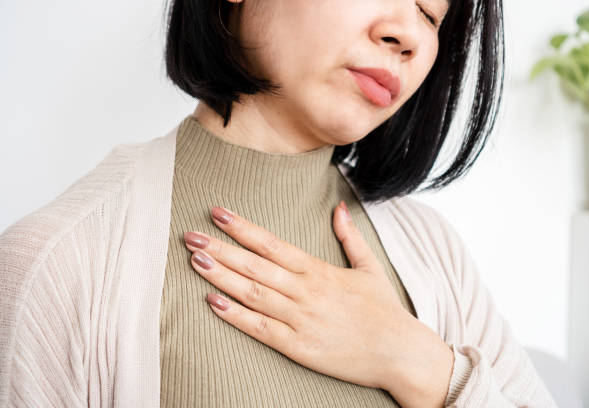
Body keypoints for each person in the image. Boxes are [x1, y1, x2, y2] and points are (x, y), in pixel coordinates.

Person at [0, 0, 559, 407]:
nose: (406, 33)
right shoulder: (59, 262)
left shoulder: (434, 252)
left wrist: (417, 362)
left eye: (431, 14)